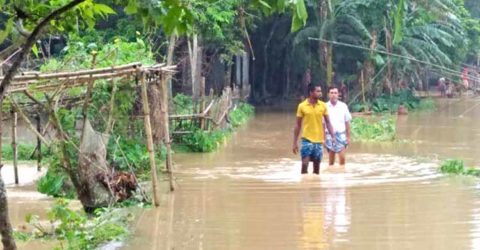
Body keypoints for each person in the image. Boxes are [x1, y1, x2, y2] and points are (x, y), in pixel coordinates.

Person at [293, 84, 335, 174]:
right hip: (306, 140)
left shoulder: (323, 106)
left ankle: (315, 185)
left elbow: (328, 122)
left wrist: (333, 137)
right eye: (318, 91)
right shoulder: (302, 106)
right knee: (304, 164)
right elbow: (298, 125)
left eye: (320, 91)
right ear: (311, 92)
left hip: (318, 141)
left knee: (316, 169)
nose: (320, 93)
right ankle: (304, 184)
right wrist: (294, 142)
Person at [324, 86, 352, 169]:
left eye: (335, 93)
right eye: (331, 93)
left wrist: (348, 137)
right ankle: (331, 176)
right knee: (331, 161)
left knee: (342, 158)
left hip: (341, 135)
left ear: (338, 94)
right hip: (329, 135)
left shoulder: (343, 106)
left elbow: (347, 122)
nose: (333, 95)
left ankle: (342, 176)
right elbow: (322, 124)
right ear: (328, 94)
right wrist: (323, 138)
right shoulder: (324, 106)